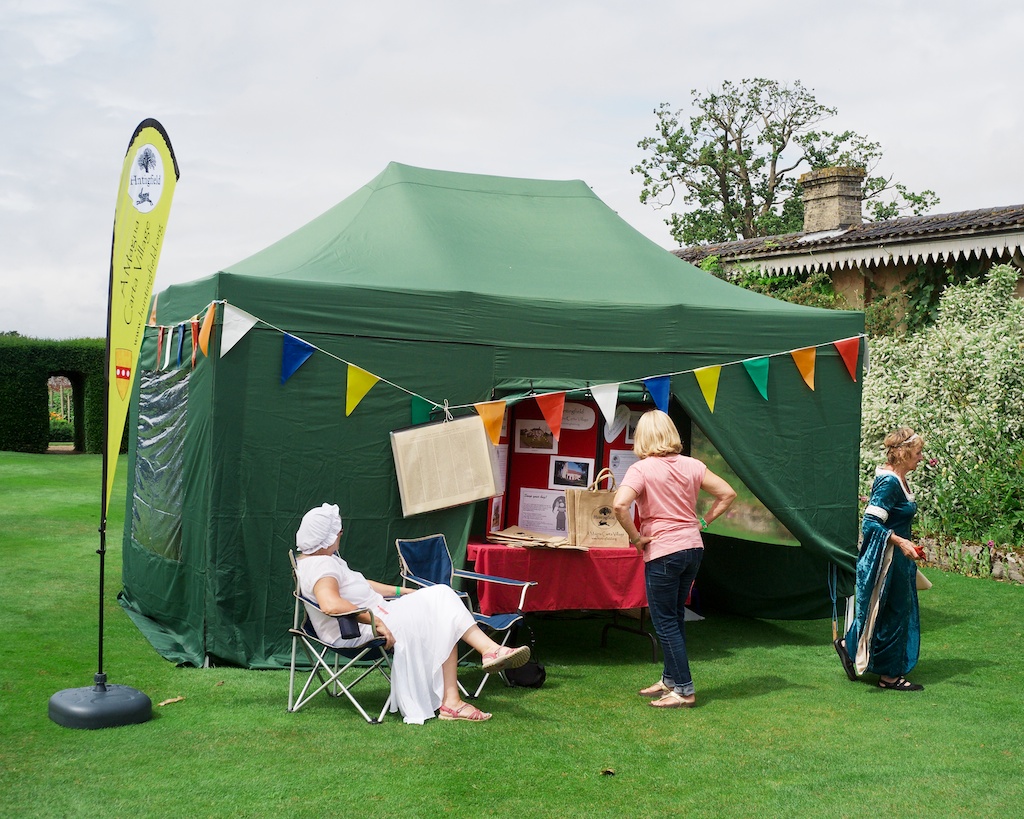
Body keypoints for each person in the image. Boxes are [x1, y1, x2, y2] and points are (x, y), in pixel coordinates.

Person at [293, 503, 531, 724]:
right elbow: (331, 604)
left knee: (441, 600)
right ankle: (468, 679)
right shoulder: (321, 566)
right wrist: (375, 622)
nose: (341, 534)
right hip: (361, 628)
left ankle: (467, 681)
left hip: (379, 613)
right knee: (442, 601)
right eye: (338, 531)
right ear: (325, 539)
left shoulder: (321, 559)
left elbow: (362, 584)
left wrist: (404, 591)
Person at [612, 410, 736, 709]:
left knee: (665, 621)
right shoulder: (693, 465)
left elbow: (619, 505)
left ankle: (684, 689)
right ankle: (670, 679)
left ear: (642, 437)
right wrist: (703, 523)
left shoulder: (641, 470)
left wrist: (636, 538)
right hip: (693, 548)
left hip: (664, 551)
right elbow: (728, 494)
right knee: (674, 617)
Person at [835, 428, 926, 691]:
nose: (921, 458)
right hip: (889, 560)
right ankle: (889, 676)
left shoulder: (898, 478)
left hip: (900, 558)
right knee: (895, 613)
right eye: (918, 453)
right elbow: (871, 523)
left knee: (888, 610)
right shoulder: (889, 483)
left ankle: (849, 645)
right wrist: (900, 541)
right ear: (905, 454)